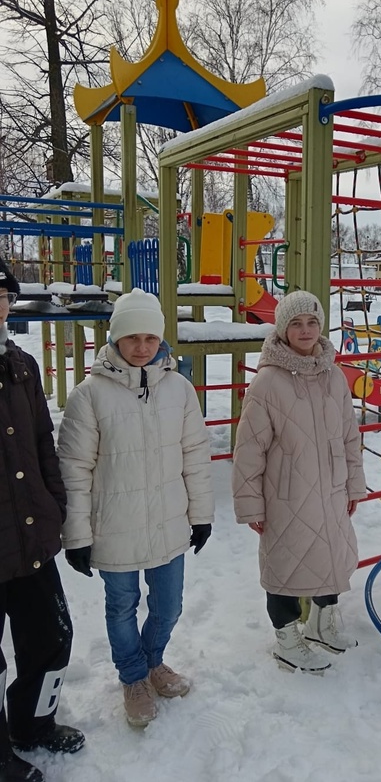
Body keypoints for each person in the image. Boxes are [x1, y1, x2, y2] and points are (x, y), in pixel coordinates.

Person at [58, 289, 214, 727]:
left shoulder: (179, 390)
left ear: (161, 339)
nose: (142, 347)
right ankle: (132, 677)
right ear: (116, 340)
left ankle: (152, 661)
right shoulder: (89, 396)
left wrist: (200, 515)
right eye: (132, 338)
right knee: (121, 605)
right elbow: (75, 469)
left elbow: (195, 454)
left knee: (169, 606)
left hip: (168, 521)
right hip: (115, 526)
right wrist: (77, 536)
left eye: (150, 337)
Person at [232, 290, 366, 674]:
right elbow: (249, 450)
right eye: (295, 323)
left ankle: (322, 623)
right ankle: (287, 637)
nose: (305, 330)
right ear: (282, 329)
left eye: (312, 322)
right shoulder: (268, 383)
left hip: (332, 487)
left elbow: (349, 436)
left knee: (331, 553)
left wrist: (353, 484)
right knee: (285, 564)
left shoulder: (334, 375)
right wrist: (251, 504)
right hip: (286, 494)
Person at [0, 259, 84, 782]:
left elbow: (40, 446)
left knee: (52, 636)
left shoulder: (21, 365)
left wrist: (55, 503)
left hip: (28, 534)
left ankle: (32, 723)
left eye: (2, 294)